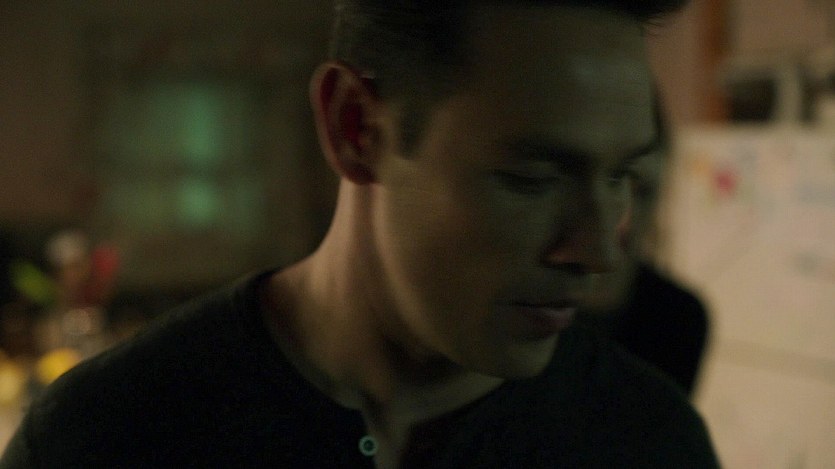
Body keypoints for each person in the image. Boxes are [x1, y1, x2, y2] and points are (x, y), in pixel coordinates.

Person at [0, 1, 719, 467]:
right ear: (355, 128)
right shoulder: (106, 439)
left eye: (622, 177)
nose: (597, 251)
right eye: (531, 179)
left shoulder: (647, 443)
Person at [577, 102, 711, 396]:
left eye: (642, 192)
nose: (624, 219)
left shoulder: (679, 318)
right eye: (613, 185)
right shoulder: (528, 306)